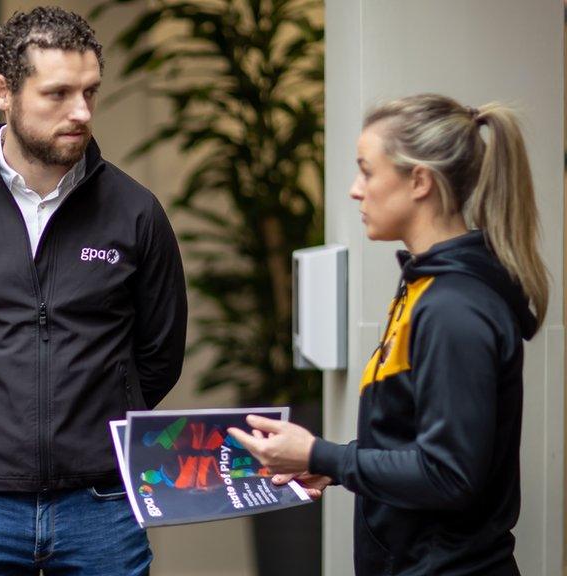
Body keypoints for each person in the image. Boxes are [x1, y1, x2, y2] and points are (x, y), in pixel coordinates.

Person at [0, 7, 188, 575]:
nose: (80, 112)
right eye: (57, 94)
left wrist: (96, 430)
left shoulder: (136, 213)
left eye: (90, 93)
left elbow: (160, 355)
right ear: (4, 91)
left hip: (102, 505)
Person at [229, 94, 548, 575]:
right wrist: (334, 463)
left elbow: (449, 475)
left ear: (419, 181)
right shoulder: (427, 289)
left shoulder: (453, 307)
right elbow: (416, 447)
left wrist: (322, 454)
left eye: (367, 171)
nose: (356, 190)